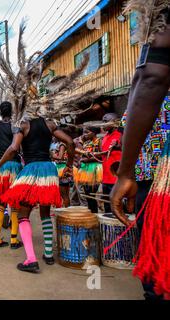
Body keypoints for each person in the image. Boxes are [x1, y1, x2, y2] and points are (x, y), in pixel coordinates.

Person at [110, 0, 170, 300]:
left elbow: (152, 77)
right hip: (152, 174)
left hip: (156, 177)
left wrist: (125, 173)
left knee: (159, 269)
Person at [0, 116, 75, 272]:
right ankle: (48, 254)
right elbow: (70, 142)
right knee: (45, 212)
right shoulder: (51, 124)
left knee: (23, 215)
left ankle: (31, 259)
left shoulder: (24, 126)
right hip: (48, 170)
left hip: (31, 171)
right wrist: (69, 165)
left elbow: (14, 148)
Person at [0, 101, 24, 250]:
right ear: (12, 111)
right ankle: (14, 240)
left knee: (1, 203)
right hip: (14, 167)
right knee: (15, 205)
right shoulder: (16, 126)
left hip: (0, 168)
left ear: (0, 112)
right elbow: (18, 147)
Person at [75, 127, 103, 213]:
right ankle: (91, 213)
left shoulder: (99, 141)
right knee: (87, 194)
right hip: (85, 169)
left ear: (94, 132)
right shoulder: (86, 143)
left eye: (87, 132)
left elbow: (102, 156)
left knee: (92, 194)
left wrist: (88, 159)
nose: (84, 135)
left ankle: (94, 213)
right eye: (84, 133)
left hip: (95, 168)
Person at [99, 113, 122, 213]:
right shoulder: (105, 137)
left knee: (118, 207)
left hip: (116, 179)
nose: (103, 124)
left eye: (105, 121)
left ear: (115, 122)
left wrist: (119, 146)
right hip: (106, 178)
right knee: (107, 208)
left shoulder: (121, 135)